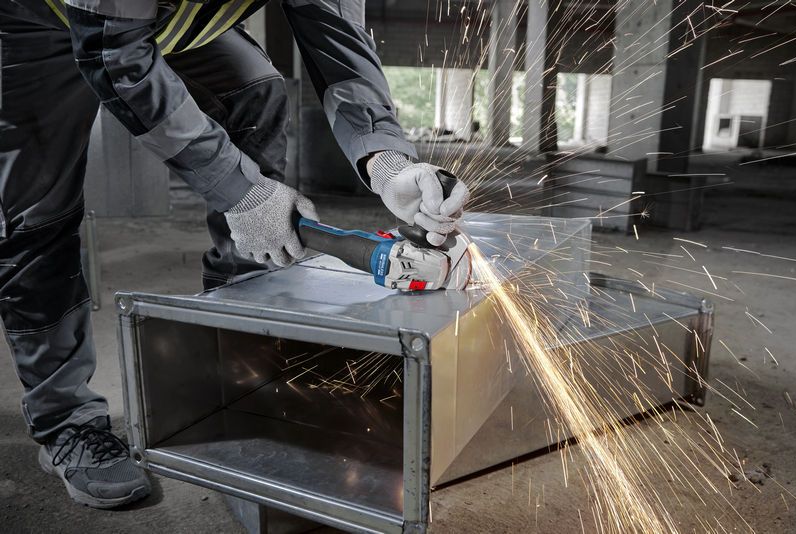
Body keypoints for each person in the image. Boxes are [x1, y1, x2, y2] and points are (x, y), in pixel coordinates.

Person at [0, 0, 469, 509]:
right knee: (34, 217)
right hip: (45, 22)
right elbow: (115, 58)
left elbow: (337, 39)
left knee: (255, 90)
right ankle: (66, 422)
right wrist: (240, 191)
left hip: (168, 21)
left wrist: (385, 160)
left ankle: (235, 358)